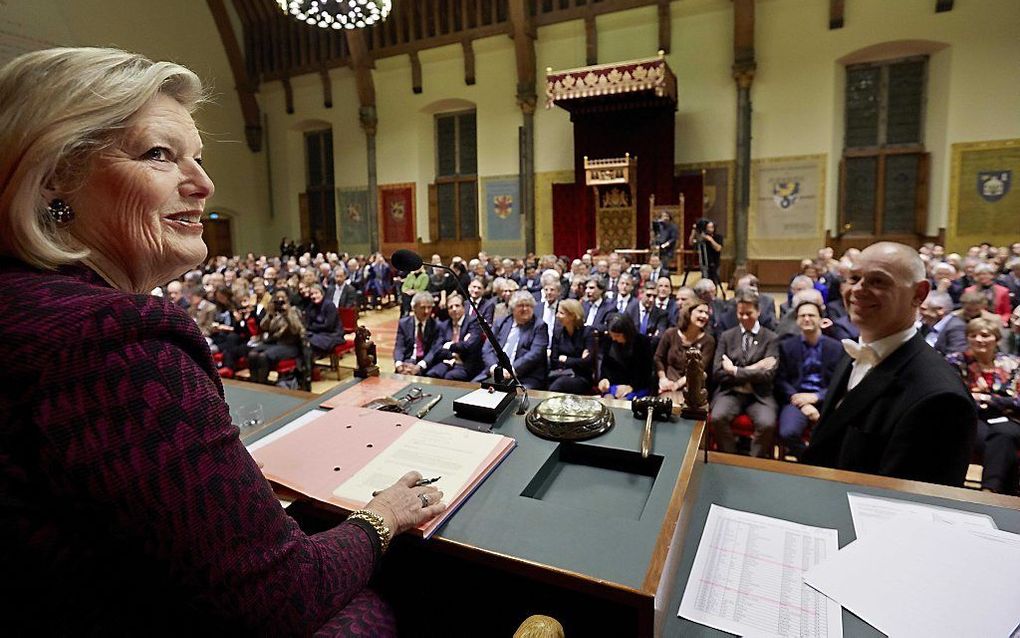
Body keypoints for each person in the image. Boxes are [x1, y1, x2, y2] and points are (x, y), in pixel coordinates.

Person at [0, 47, 441, 634]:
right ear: (54, 173)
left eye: (198, 158)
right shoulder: (112, 341)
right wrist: (382, 515)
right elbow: (278, 599)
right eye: (159, 155)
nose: (204, 183)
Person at [803, 242, 976, 486]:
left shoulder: (942, 399)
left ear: (919, 294)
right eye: (854, 278)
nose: (858, 290)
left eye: (878, 281)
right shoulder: (853, 353)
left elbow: (913, 509)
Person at [945, 317, 1020, 494]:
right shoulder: (956, 361)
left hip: (1008, 418)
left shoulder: (1013, 364)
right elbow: (956, 396)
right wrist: (999, 400)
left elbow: (1017, 401)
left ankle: (990, 489)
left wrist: (988, 399)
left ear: (997, 339)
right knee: (1001, 440)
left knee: (1005, 433)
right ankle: (998, 491)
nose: (979, 339)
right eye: (973, 335)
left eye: (985, 335)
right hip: (972, 417)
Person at [709, 288, 780, 458]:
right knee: (717, 418)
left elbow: (768, 375)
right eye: (741, 313)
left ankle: (753, 463)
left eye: (749, 313)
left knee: (768, 423)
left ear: (759, 311)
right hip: (731, 393)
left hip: (759, 395)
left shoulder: (771, 338)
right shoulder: (727, 336)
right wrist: (756, 368)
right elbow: (718, 373)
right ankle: (731, 459)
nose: (744, 318)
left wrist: (734, 370)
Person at [774, 299, 843, 457]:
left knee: (838, 433)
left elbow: (838, 382)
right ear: (797, 320)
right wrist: (800, 402)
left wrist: (816, 397)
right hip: (796, 399)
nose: (806, 319)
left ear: (821, 319)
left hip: (827, 399)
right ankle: (809, 461)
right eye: (802, 315)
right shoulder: (787, 346)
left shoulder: (836, 347)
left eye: (811, 315)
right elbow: (781, 380)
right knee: (787, 432)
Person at [478, 291, 549, 390]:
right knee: (471, 390)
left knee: (514, 398)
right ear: (513, 308)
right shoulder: (501, 322)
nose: (525, 309)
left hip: (524, 376)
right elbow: (487, 348)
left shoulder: (539, 326)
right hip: (496, 374)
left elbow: (536, 353)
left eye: (528, 305)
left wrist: (511, 370)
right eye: (521, 305)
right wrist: (494, 368)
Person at [655, 297, 716, 406]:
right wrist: (663, 379)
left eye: (707, 313)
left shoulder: (708, 341)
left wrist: (676, 385)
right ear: (689, 312)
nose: (704, 316)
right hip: (668, 385)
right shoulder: (670, 334)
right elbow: (658, 358)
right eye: (700, 311)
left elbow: (699, 369)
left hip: (693, 389)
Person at [248, 289, 306, 384]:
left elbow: (296, 330)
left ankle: (263, 384)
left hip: (289, 345)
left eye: (282, 299)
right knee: (252, 354)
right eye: (277, 299)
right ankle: (254, 382)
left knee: (263, 356)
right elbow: (263, 327)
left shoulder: (294, 311)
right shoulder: (273, 312)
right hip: (273, 343)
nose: (279, 301)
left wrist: (287, 314)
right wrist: (270, 315)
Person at [426, 293, 484, 381]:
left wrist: (449, 346)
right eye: (450, 307)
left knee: (450, 377)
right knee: (432, 374)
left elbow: (468, 346)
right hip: (447, 361)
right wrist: (451, 354)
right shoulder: (444, 325)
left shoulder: (473, 322)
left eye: (457, 306)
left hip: (465, 363)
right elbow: (438, 349)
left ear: (464, 307)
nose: (454, 309)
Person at [597, 314, 656, 401]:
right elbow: (606, 366)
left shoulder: (643, 342)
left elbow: (646, 372)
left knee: (623, 402)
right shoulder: (609, 341)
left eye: (617, 336)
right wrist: (604, 379)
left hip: (637, 386)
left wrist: (631, 387)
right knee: (608, 399)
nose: (614, 339)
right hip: (615, 384)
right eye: (612, 335)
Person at [548, 299, 597, 394]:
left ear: (573, 316)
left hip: (581, 377)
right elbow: (554, 360)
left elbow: (588, 362)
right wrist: (578, 360)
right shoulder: (558, 333)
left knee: (559, 385)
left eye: (561, 313)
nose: (557, 316)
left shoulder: (587, 332)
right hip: (559, 373)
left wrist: (566, 360)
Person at [393, 291, 443, 376]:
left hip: (425, 363)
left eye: (429, 307)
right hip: (407, 361)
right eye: (423, 307)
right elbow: (399, 346)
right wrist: (399, 364)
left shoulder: (437, 325)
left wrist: (420, 366)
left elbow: (434, 350)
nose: (426, 311)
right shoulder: (403, 323)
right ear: (414, 308)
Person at [919, 290, 967, 355]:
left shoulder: (956, 327)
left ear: (940, 310)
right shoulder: (926, 326)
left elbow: (955, 358)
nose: (919, 312)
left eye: (923, 309)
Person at [304, 283, 343, 358]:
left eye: (316, 293)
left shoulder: (329, 305)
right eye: (312, 294)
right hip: (318, 333)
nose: (314, 296)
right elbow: (307, 324)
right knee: (303, 338)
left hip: (332, 334)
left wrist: (313, 326)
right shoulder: (310, 306)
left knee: (309, 341)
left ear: (322, 293)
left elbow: (329, 326)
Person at [688, 219, 723, 289]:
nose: (710, 229)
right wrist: (694, 232)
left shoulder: (718, 236)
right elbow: (691, 243)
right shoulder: (701, 238)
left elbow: (718, 248)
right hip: (704, 263)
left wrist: (710, 240)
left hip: (714, 263)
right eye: (708, 227)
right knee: (704, 281)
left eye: (712, 227)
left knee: (713, 281)